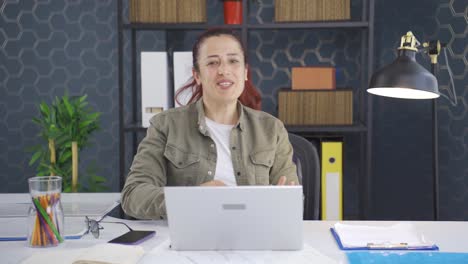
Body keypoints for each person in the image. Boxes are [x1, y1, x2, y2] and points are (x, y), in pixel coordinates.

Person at [121, 28, 299, 220]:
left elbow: (292, 198)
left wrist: (285, 203)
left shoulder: (272, 129)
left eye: (233, 61)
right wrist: (193, 198)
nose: (224, 70)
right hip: (188, 237)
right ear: (197, 75)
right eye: (213, 63)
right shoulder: (165, 125)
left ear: (245, 72)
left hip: (256, 237)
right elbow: (134, 195)